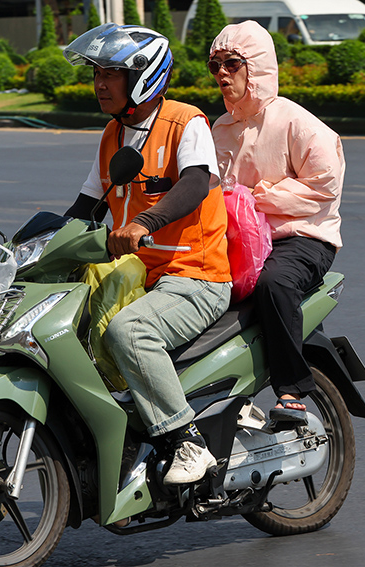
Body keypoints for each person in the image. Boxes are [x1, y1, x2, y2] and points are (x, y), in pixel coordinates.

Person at [63, 24, 232, 484]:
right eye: (97, 72)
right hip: (141, 276)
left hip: (194, 276)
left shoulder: (185, 121)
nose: (99, 83)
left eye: (112, 73)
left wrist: (143, 223)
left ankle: (187, 443)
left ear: (144, 75)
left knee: (128, 331)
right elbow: (84, 208)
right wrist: (27, 249)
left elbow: (197, 181)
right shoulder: (112, 136)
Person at [209, 21, 345, 425]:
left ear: (258, 68)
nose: (221, 74)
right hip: (243, 243)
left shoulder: (295, 122)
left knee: (274, 284)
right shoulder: (220, 130)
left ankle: (291, 388)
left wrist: (260, 201)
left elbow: (326, 183)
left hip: (301, 239)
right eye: (215, 64)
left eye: (232, 63)